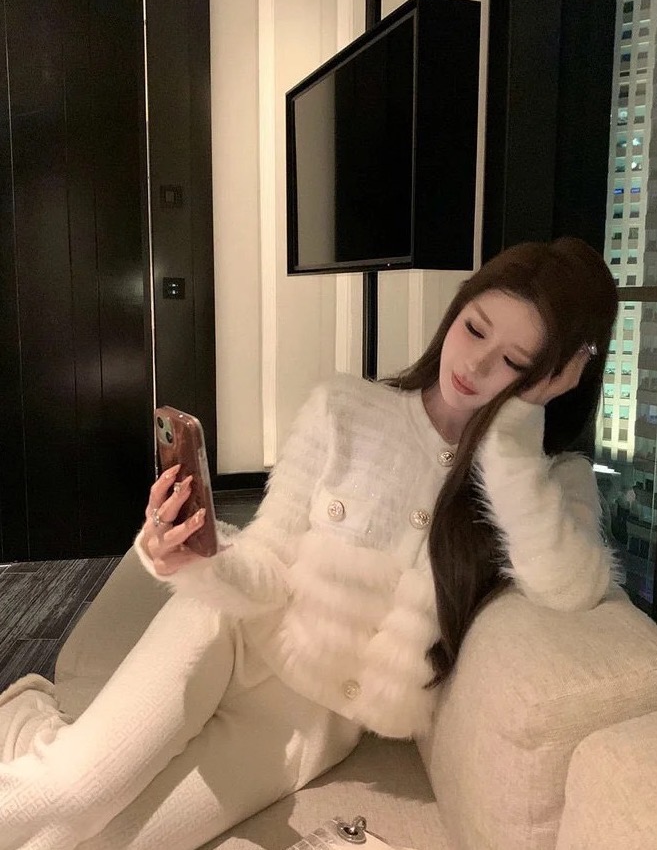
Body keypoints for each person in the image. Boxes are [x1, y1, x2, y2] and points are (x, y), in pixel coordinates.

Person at [0, 237, 619, 849]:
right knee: (67, 795)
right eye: (475, 328)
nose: (476, 365)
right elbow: (267, 557)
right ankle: (50, 745)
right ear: (456, 310)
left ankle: (28, 724)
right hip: (225, 633)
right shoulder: (345, 409)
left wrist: (511, 434)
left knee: (106, 841)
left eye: (515, 362)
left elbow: (567, 588)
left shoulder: (545, 482)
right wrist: (194, 557)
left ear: (554, 378)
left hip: (308, 726)